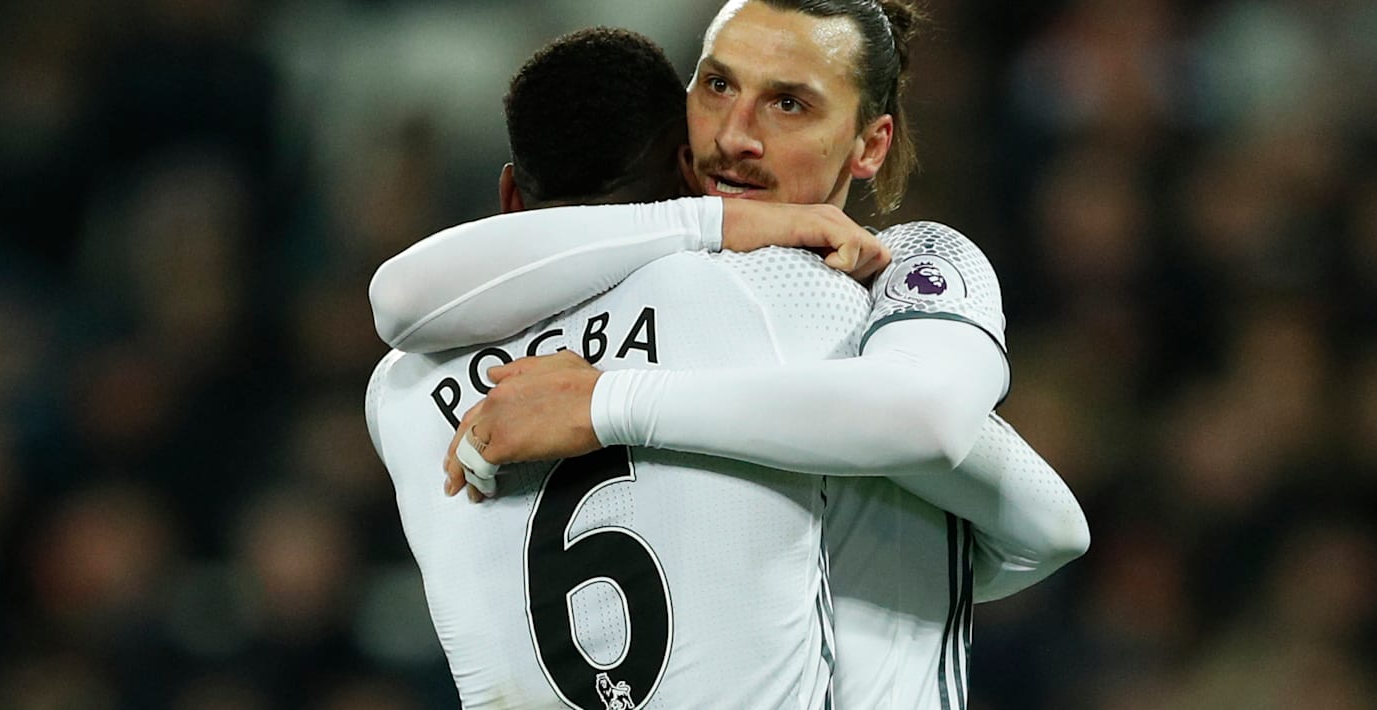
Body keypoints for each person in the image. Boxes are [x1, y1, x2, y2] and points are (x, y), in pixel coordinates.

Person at [371, 2, 1089, 709]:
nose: (735, 136)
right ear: (680, 142)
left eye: (789, 104)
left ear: (869, 144)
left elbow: (400, 300)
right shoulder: (805, 302)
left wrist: (606, 402)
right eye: (717, 86)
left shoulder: (399, 390)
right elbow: (1047, 524)